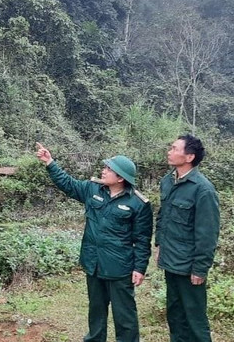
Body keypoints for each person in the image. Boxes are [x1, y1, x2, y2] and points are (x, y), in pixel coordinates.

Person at [35, 142, 152, 342]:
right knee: (96, 311)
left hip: (120, 267)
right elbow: (68, 184)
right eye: (105, 167)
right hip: (94, 263)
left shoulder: (138, 204)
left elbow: (142, 240)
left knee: (124, 315)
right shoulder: (92, 189)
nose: (103, 171)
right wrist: (50, 162)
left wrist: (139, 268)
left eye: (109, 169)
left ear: (121, 177)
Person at [155, 134, 220, 342]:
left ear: (189, 156)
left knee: (195, 318)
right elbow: (162, 216)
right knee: (175, 314)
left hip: (189, 265)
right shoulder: (168, 181)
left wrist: (200, 267)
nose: (169, 151)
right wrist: (159, 245)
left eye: (174, 148)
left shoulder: (203, 190)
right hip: (170, 260)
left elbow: (207, 233)